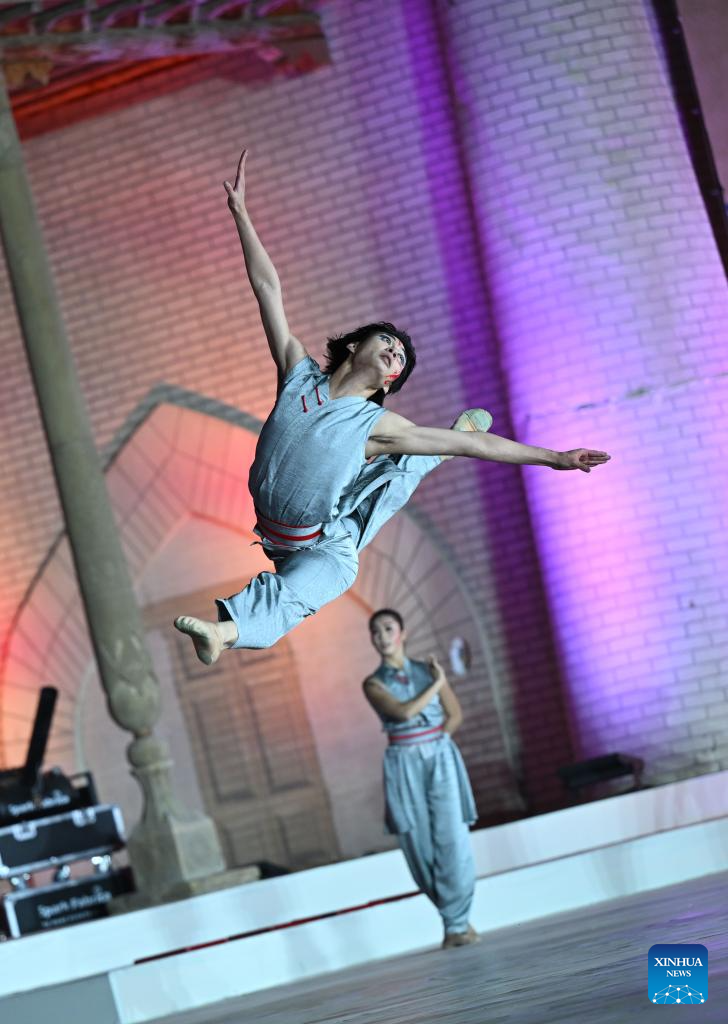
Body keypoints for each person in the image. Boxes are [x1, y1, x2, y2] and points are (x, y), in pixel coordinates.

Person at [174, 150, 611, 662]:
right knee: (395, 472)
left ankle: (222, 634)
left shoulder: (376, 423)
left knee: (387, 492)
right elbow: (268, 288)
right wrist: (241, 215)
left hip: (326, 544)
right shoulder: (297, 374)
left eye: (400, 357)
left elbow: (478, 447)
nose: (394, 351)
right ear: (353, 346)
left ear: (390, 380)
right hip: (281, 535)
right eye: (387, 341)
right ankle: (430, 451)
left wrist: (555, 458)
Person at [363, 607, 479, 948]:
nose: (382, 636)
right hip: (404, 763)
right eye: (376, 632)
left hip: (439, 757)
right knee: (418, 842)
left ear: (403, 633)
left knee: (453, 837)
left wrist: (437, 740)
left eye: (388, 628)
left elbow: (454, 714)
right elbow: (403, 712)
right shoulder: (373, 683)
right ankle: (455, 923)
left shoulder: (426, 670)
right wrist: (438, 683)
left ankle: (457, 925)